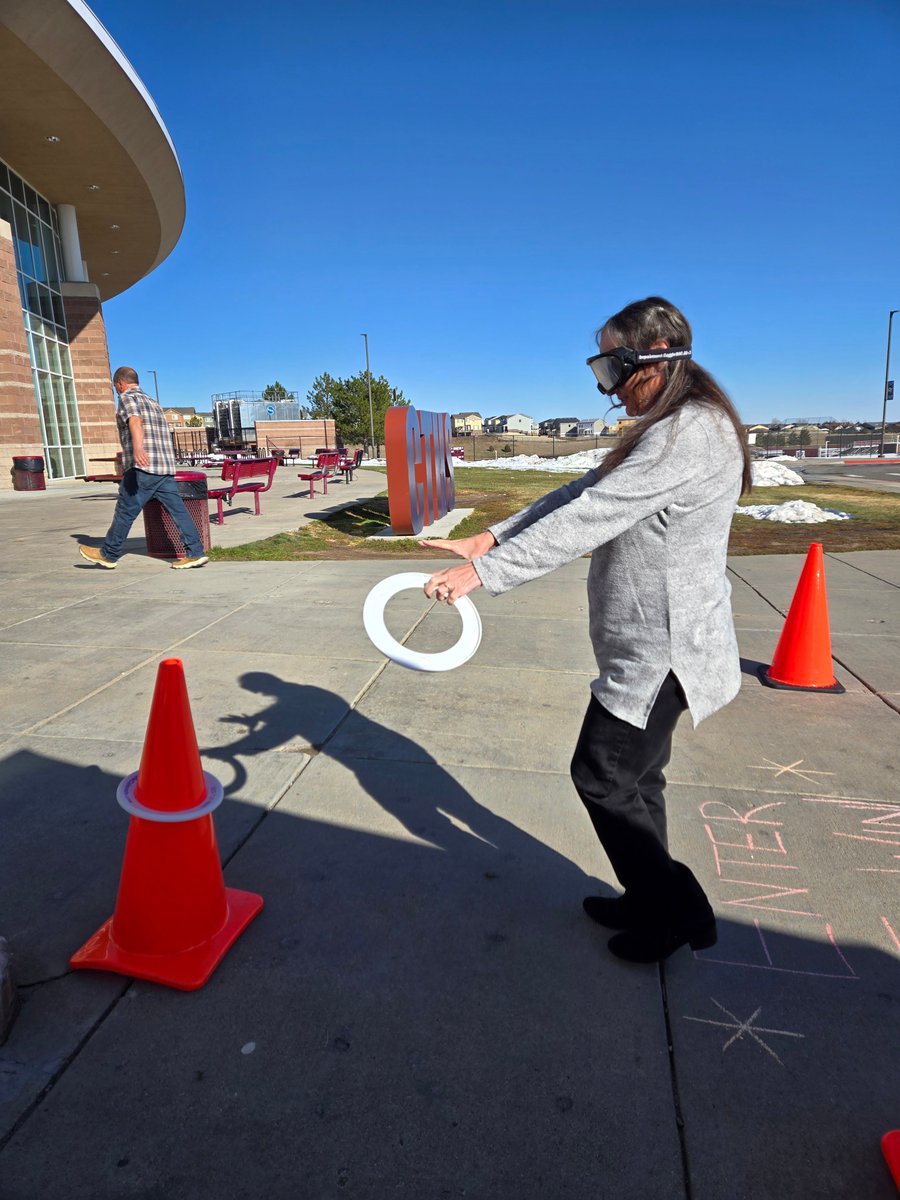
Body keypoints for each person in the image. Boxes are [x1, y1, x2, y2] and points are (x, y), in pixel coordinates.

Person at [422, 296, 752, 964]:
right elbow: (579, 491)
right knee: (637, 783)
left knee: (600, 776)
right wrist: (489, 536)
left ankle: (678, 907)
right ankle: (648, 901)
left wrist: (489, 573)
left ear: (653, 360)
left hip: (666, 651)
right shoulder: (666, 426)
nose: (605, 386)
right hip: (646, 643)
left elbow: (593, 515)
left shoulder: (690, 431)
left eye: (611, 368)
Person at [78, 367, 208, 570]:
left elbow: (135, 421)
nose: (117, 391)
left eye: (116, 387)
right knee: (179, 511)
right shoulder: (153, 402)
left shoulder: (128, 398)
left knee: (125, 511)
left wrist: (138, 448)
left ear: (120, 383)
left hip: (143, 467)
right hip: (164, 468)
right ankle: (195, 553)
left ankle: (108, 554)